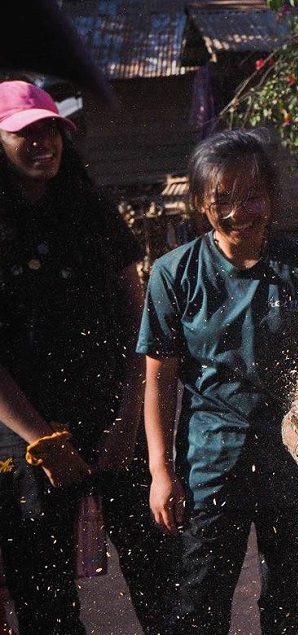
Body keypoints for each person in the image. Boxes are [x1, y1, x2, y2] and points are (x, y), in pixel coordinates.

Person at [138, 129, 298, 635]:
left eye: (251, 196)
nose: (237, 212)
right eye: (220, 200)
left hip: (297, 463)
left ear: (271, 196)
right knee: (199, 605)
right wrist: (161, 471)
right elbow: (159, 382)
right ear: (200, 203)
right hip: (210, 465)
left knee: (294, 608)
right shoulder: (174, 273)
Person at [0, 79, 172, 634]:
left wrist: (128, 422)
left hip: (112, 424)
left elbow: (137, 322)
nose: (42, 142)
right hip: (26, 439)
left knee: (161, 582)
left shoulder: (92, 211)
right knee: (45, 602)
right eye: (24, 132)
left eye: (50, 128)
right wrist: (43, 443)